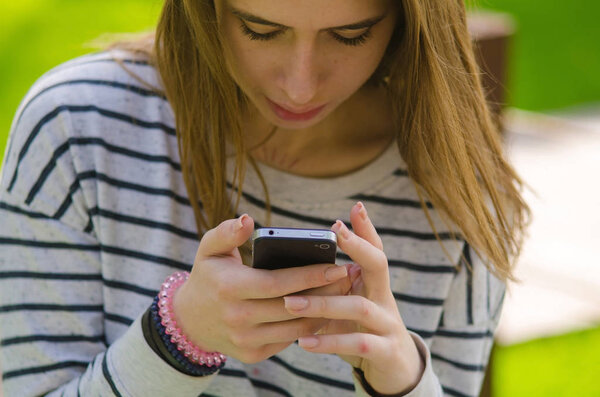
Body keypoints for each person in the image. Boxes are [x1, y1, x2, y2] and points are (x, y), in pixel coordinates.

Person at [0, 0, 530, 396]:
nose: (300, 86)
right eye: (261, 30)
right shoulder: (76, 130)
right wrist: (178, 337)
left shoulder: (459, 198)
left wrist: (402, 382)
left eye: (349, 35)